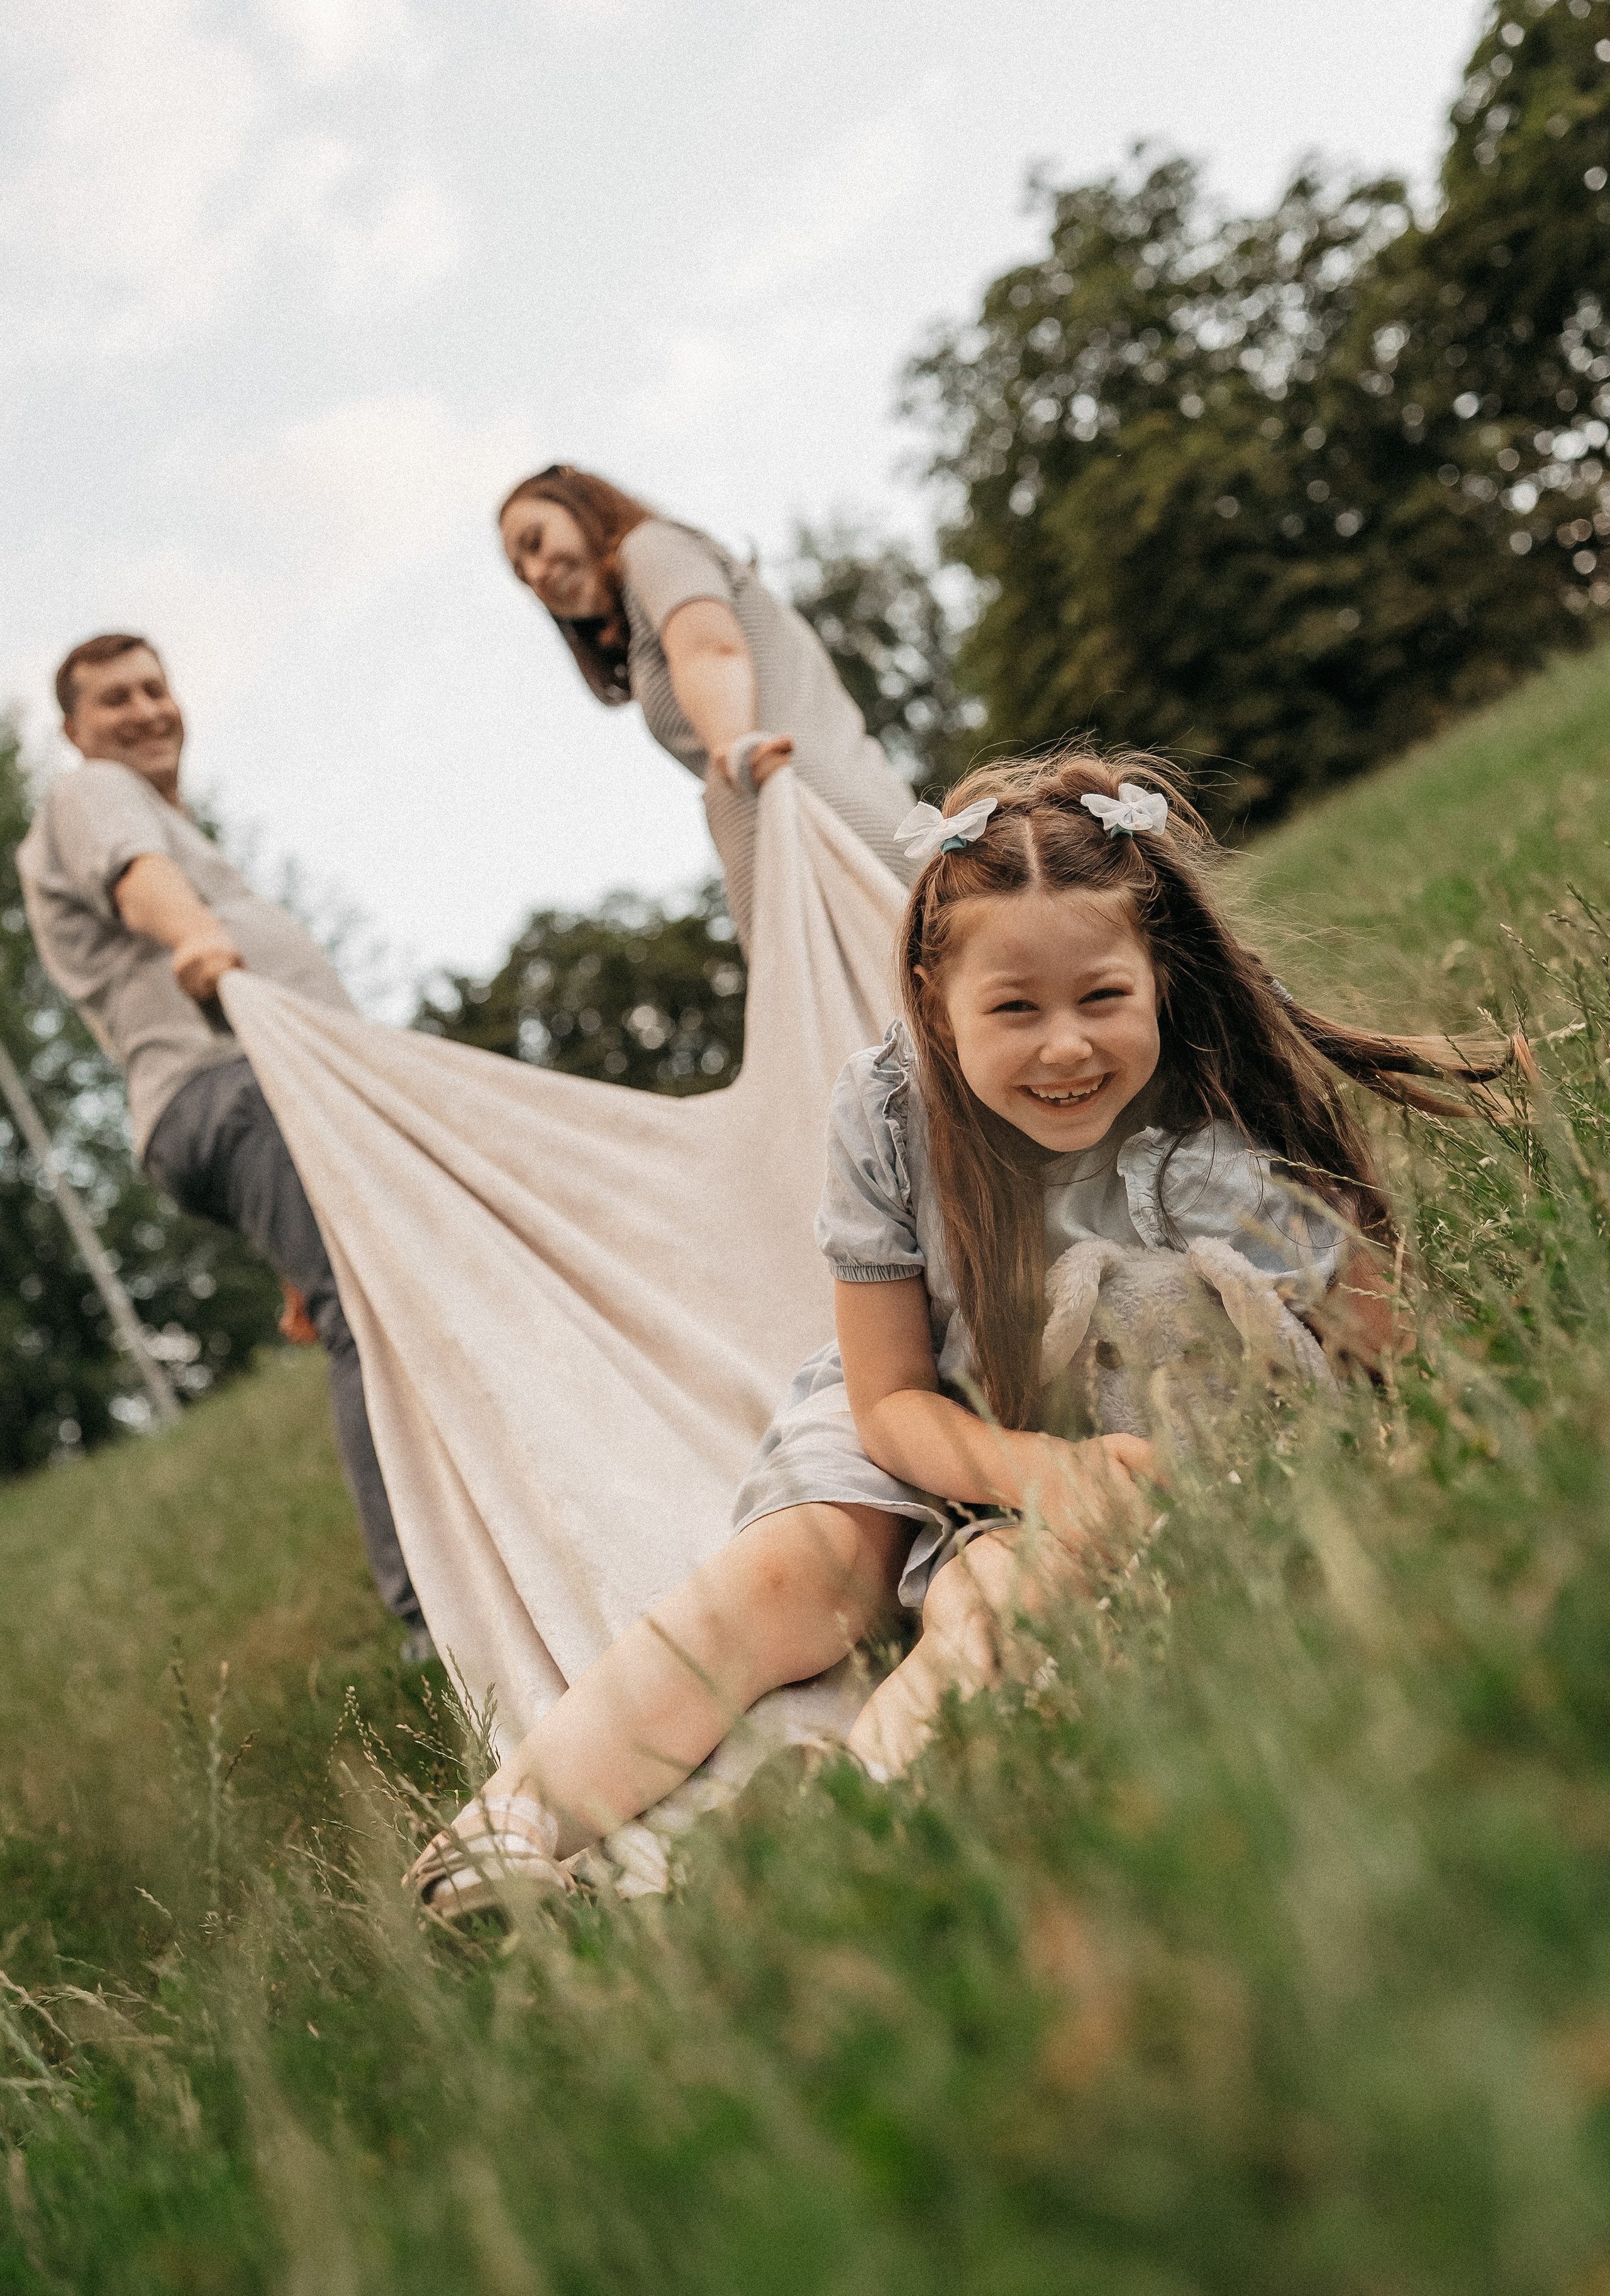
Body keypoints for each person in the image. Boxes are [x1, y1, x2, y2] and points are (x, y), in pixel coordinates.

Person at [408, 747, 1519, 1916]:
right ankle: (507, 1830)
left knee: (995, 1601)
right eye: (1014, 1009)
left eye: (1102, 998)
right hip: (921, 1398)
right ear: (936, 1004)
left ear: (1159, 980)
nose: (1065, 1046)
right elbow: (889, 1401)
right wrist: (1030, 1465)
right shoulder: (889, 1115)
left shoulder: (1193, 1148)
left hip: (1103, 1409)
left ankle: (843, 1828)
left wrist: (1386, 1387)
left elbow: (1376, 1326)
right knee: (795, 1574)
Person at [17, 633, 428, 1656]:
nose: (147, 709)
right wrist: (195, 936)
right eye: (116, 698)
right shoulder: (94, 799)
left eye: (158, 688)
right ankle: (428, 1613)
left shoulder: (162, 815)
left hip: (263, 1095)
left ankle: (463, 1551)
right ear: (76, 732)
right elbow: (138, 877)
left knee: (380, 1299)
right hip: (233, 1085)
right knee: (369, 1319)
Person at [497, 465, 918, 951]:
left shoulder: (651, 547)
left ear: (581, 507)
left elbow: (711, 649)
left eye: (535, 542)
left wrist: (737, 750)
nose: (536, 574)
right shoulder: (643, 612)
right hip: (822, 827)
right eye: (521, 574)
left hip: (823, 831)